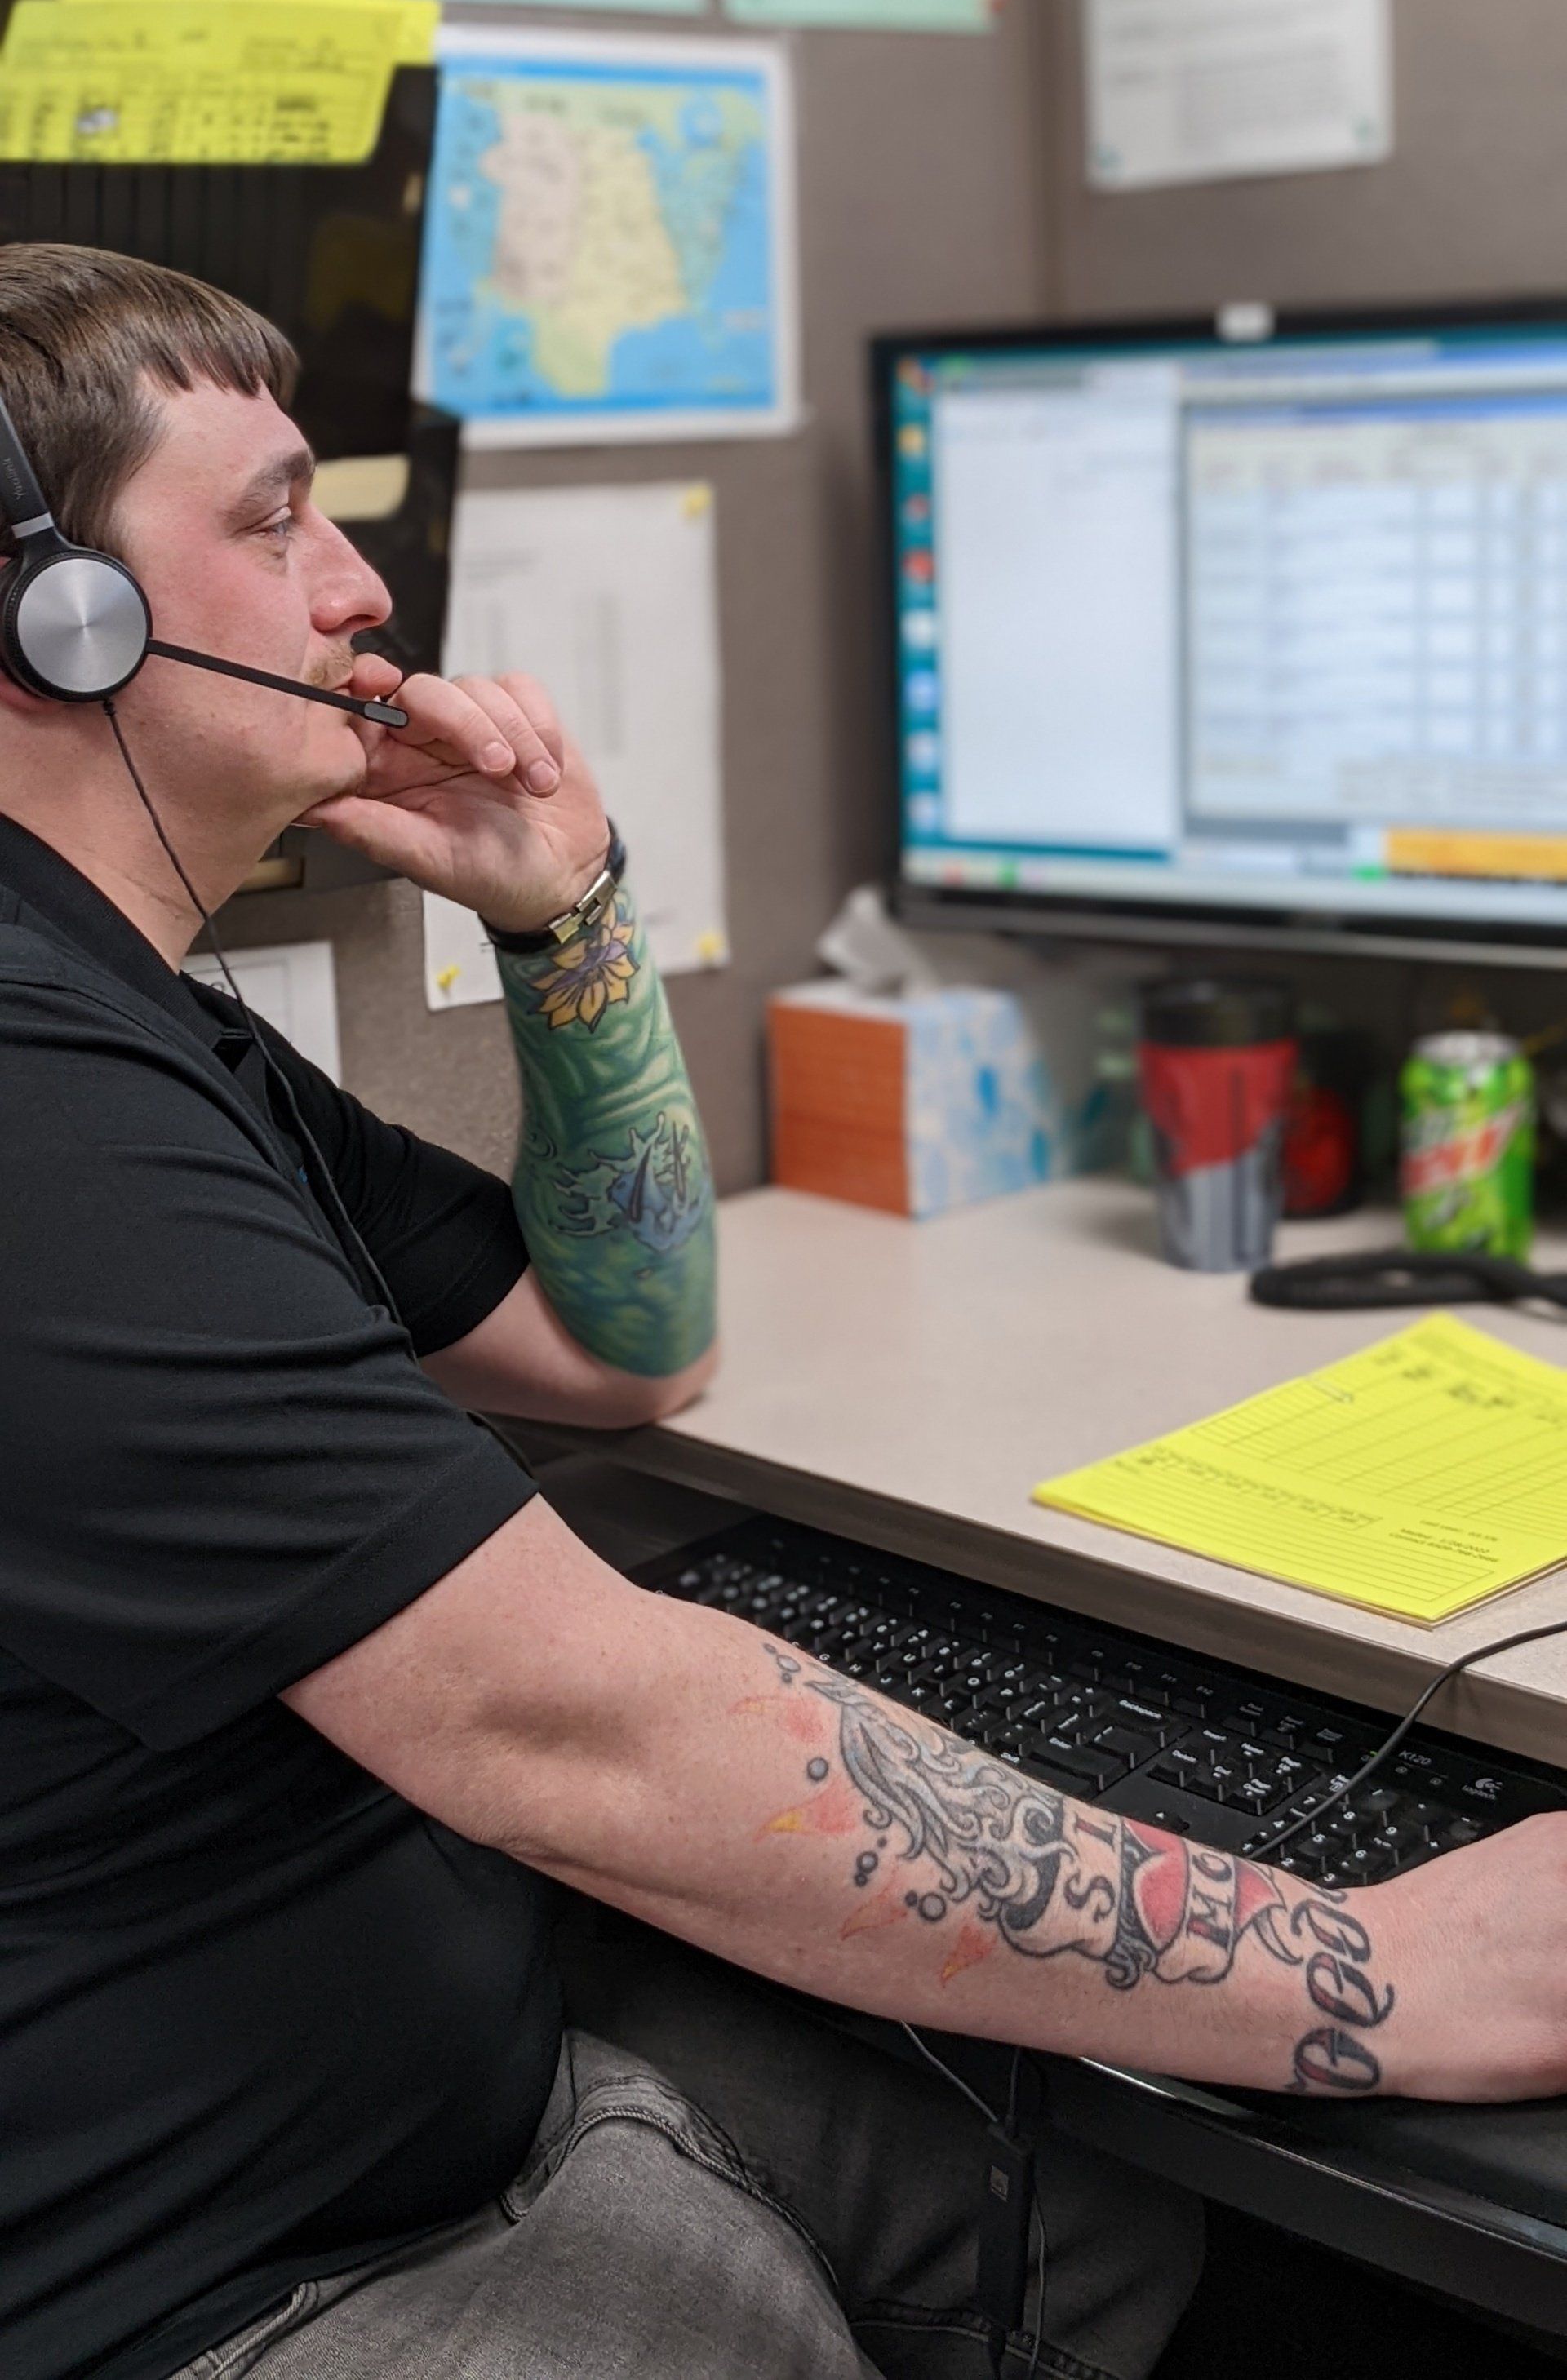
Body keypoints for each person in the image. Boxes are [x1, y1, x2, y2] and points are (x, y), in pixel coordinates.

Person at [0, 246, 1564, 2380]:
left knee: (1124, 2237)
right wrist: (1381, 1972)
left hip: (421, 2084)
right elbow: (568, 1721)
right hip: (215, 2277)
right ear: (56, 619)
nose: (361, 589)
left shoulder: (134, 1021)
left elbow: (623, 1346)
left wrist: (569, 917)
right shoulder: (37, 1100)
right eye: (274, 524)